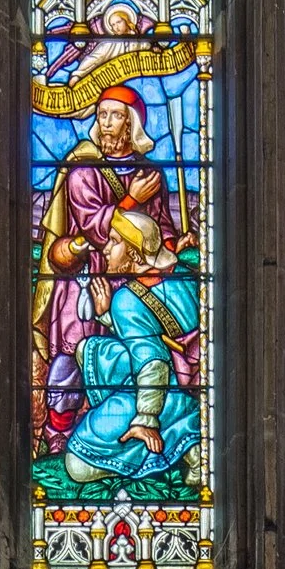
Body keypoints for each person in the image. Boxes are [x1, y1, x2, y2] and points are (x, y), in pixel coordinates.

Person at [36, 87, 190, 442]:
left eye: (115, 116)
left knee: (133, 355)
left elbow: (158, 228)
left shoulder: (149, 172)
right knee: (73, 355)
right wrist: (134, 198)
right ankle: (59, 431)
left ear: (131, 124)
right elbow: (97, 229)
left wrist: (172, 244)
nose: (105, 124)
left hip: (133, 282)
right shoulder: (83, 172)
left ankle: (120, 427)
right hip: (87, 279)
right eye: (101, 115)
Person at [58, 205, 203, 487]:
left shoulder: (127, 299)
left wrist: (145, 420)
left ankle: (187, 442)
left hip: (164, 392)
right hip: (192, 380)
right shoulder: (183, 274)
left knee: (77, 463)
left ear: (134, 254)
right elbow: (159, 336)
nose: (106, 249)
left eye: (114, 242)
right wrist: (107, 316)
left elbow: (154, 364)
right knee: (92, 350)